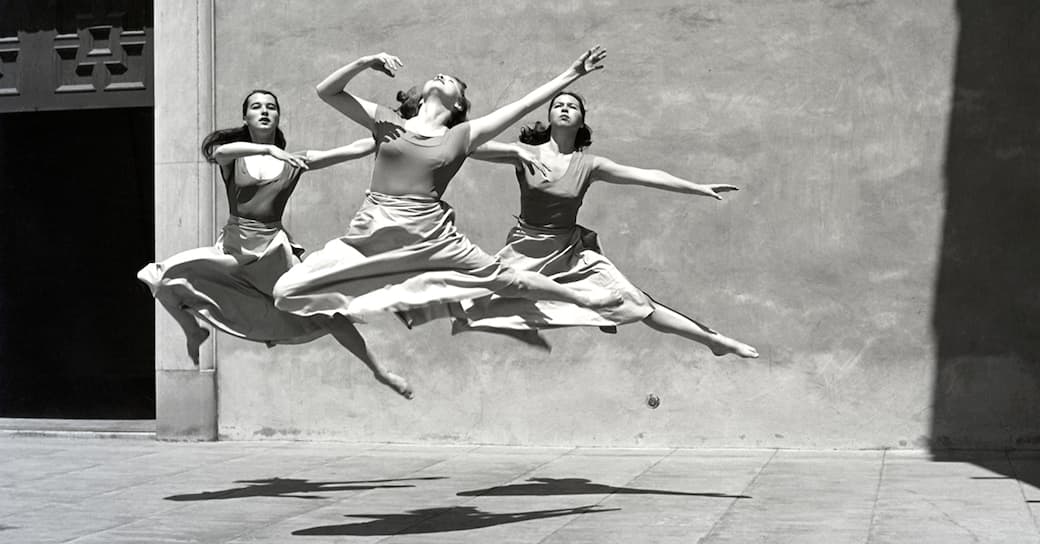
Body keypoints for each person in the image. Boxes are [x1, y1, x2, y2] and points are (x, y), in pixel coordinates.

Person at [273, 47, 621, 332]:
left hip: (433, 239)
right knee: (285, 292)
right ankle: (366, 301)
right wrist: (365, 62)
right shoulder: (388, 123)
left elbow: (524, 106)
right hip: (371, 235)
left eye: (453, 82)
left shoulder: (460, 136)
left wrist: (572, 74)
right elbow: (327, 91)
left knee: (508, 280)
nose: (443, 77)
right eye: (439, 76)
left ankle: (585, 299)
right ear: (422, 95)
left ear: (457, 105)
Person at [138, 89, 416, 398]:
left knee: (328, 313)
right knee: (161, 278)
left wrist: (399, 128)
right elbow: (219, 153)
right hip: (234, 250)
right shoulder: (236, 157)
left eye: (271, 107)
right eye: (256, 107)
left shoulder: (295, 162)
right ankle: (194, 329)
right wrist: (269, 151)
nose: (264, 111)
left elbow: (355, 148)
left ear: (278, 117)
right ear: (246, 117)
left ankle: (381, 371)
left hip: (273, 252)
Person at [453, 91, 759, 358]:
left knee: (638, 302)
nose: (563, 108)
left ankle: (713, 341)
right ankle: (593, 311)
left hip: (569, 251)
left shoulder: (590, 165)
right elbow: (464, 145)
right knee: (471, 305)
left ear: (581, 122)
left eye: (572, 106)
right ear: (549, 117)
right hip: (526, 249)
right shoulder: (524, 154)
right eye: (557, 104)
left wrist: (697, 186)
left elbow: (648, 175)